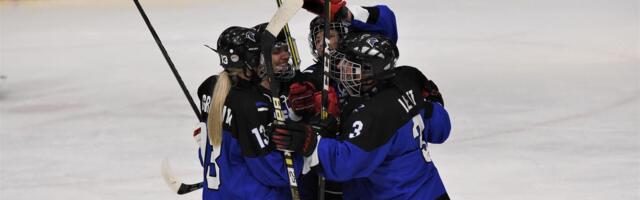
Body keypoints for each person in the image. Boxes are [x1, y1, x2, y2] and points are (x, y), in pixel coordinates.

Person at [272, 32, 451, 200]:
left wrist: (309, 142)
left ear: (368, 72)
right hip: (433, 192)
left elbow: (344, 164)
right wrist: (433, 103)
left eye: (349, 64)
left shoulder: (375, 114)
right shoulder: (405, 83)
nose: (341, 66)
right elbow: (440, 129)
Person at [194, 26, 305, 199]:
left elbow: (205, 155)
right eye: (259, 56)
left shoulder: (210, 88)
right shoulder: (252, 105)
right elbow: (276, 173)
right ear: (249, 61)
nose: (263, 61)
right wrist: (300, 151)